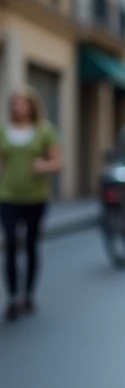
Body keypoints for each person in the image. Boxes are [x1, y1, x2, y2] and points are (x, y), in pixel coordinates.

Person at [0, 85, 62, 322]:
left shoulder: (45, 131)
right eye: (15, 103)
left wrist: (44, 166)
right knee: (10, 247)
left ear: (31, 106)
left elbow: (58, 163)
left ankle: (28, 295)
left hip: (35, 197)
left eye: (23, 103)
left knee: (31, 246)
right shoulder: (4, 132)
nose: (18, 107)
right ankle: (13, 298)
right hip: (7, 196)